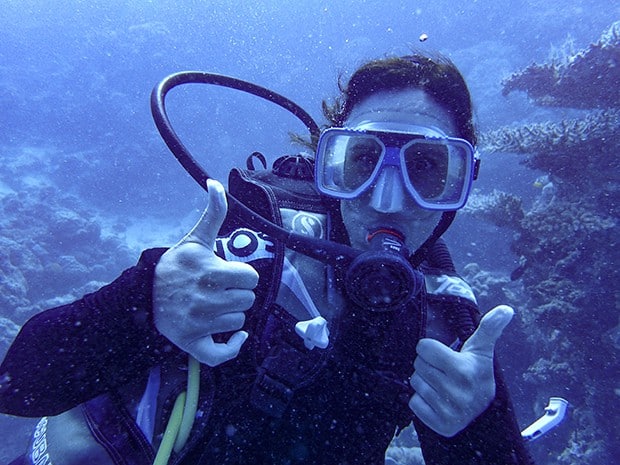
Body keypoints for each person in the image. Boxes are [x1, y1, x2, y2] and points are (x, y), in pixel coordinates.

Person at [0, 54, 534, 465]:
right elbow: (17, 387)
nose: (386, 200)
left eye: (427, 168)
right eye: (363, 162)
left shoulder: (445, 319)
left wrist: (475, 425)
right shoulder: (245, 255)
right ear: (329, 164)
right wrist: (144, 300)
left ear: (462, 184)